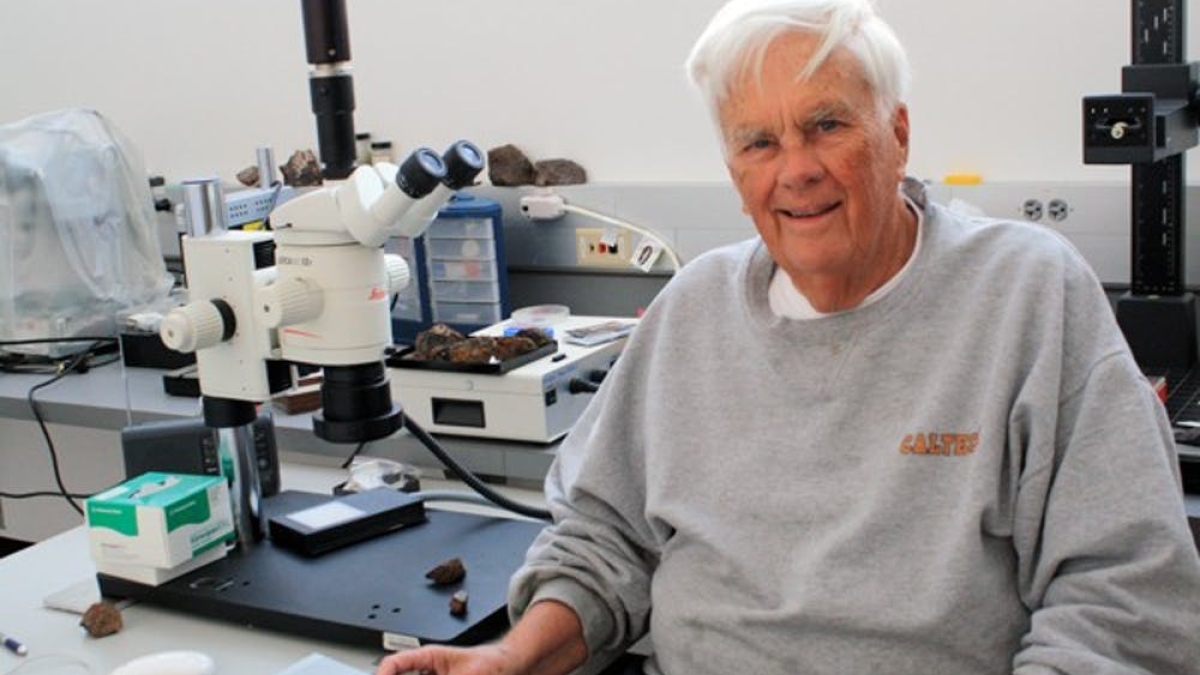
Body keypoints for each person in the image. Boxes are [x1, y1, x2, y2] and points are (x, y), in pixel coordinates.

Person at [378, 0, 1200, 673]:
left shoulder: (1027, 294)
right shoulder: (693, 311)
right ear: (734, 172)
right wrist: (513, 657)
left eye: (827, 124)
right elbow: (601, 540)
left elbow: (1125, 601)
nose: (795, 169)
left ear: (898, 133)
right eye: (759, 141)